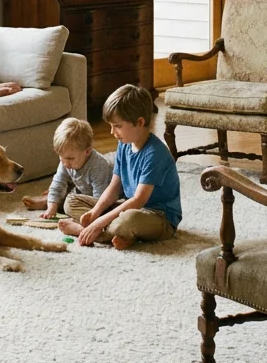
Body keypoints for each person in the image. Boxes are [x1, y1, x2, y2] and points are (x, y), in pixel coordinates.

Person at [58, 84, 181, 250]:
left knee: (128, 220)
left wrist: (100, 221)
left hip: (158, 217)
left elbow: (138, 201)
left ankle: (87, 231)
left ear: (139, 122)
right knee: (71, 202)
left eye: (117, 126)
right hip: (127, 205)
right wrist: (95, 212)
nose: (112, 132)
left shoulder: (155, 154)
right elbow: (114, 187)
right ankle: (123, 235)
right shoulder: (124, 144)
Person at [21, 117, 113, 216]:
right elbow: (58, 181)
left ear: (87, 151)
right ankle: (48, 202)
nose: (65, 163)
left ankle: (47, 202)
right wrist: (52, 206)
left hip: (102, 196)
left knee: (70, 204)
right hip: (81, 190)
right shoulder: (66, 160)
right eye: (61, 158)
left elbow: (100, 200)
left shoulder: (98, 167)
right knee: (62, 190)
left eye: (70, 159)